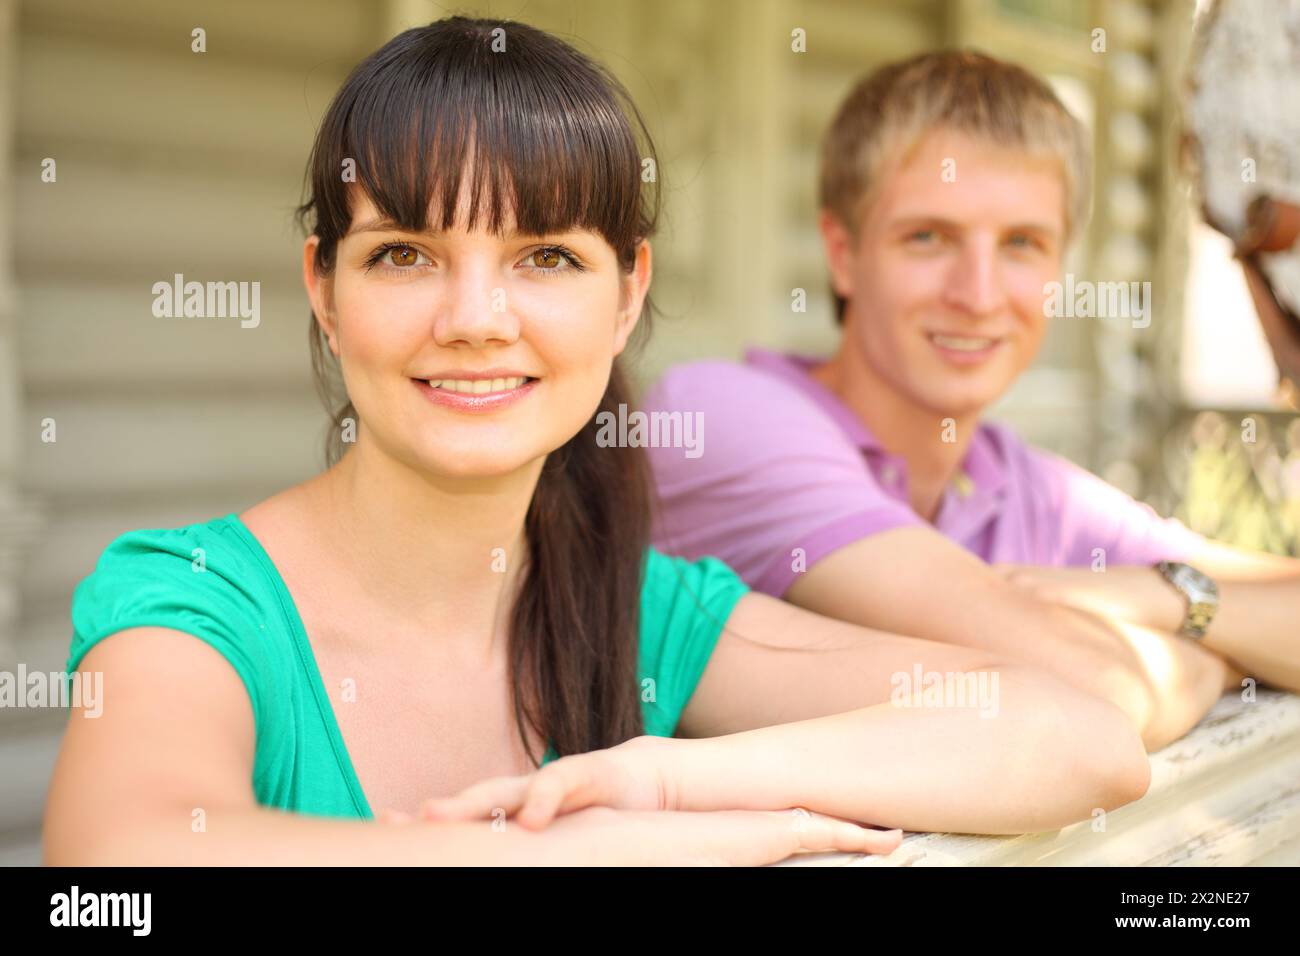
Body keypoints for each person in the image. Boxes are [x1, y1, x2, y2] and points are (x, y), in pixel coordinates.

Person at [43, 21, 1148, 866]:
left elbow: (1077, 734)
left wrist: (671, 783)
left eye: (545, 257)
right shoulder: (197, 603)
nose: (475, 316)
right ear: (322, 291)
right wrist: (582, 849)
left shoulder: (646, 615)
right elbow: (120, 862)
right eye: (403, 254)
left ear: (629, 295)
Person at [643, 50, 1300, 755]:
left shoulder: (1026, 486)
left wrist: (1166, 597)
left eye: (1022, 244)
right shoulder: (719, 419)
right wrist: (1223, 652)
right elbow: (1096, 689)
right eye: (928, 237)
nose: (980, 295)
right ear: (841, 253)